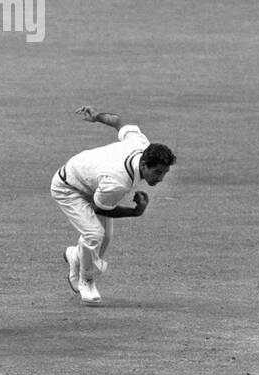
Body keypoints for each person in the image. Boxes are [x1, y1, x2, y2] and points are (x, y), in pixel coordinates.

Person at [50, 107, 176, 306]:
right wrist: (135, 212)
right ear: (143, 165)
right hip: (68, 188)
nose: (160, 179)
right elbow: (100, 208)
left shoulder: (140, 142)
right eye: (158, 172)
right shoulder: (118, 181)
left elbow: (119, 121)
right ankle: (86, 282)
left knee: (105, 237)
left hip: (92, 181)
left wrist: (97, 116)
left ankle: (75, 256)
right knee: (94, 234)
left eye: (164, 173)